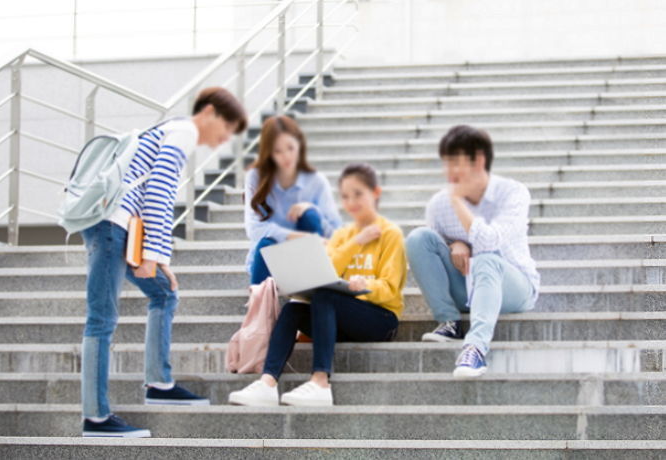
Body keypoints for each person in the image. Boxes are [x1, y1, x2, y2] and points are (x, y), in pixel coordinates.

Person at [80, 87, 247, 437]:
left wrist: (157, 260)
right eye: (226, 131)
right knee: (101, 319)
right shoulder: (183, 132)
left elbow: (142, 193)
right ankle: (95, 418)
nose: (221, 141)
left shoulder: (167, 131)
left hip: (120, 230)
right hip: (111, 228)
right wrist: (154, 257)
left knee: (164, 294)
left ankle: (159, 383)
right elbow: (158, 192)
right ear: (212, 113)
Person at [229, 163, 406, 406]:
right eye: (345, 196)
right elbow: (328, 271)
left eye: (358, 194)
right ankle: (267, 383)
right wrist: (355, 243)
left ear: (375, 193)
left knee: (325, 297)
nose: (351, 201)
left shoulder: (390, 234)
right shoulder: (344, 235)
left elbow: (390, 290)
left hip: (382, 320)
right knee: (293, 308)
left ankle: (321, 382)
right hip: (342, 317)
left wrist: (365, 285)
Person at [405, 125, 540, 379]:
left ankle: (475, 349)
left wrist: (458, 203)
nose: (449, 172)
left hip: (515, 286)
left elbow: (490, 243)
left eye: (455, 163)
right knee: (418, 238)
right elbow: (434, 249)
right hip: (466, 285)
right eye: (447, 163)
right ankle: (449, 321)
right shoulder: (437, 204)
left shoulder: (513, 193)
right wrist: (456, 244)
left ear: (478, 161)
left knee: (487, 259)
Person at [244, 115, 341, 285]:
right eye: (277, 151)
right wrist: (297, 237)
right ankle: (260, 304)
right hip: (267, 263)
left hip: (306, 263)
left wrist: (312, 208)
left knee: (310, 215)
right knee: (267, 242)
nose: (286, 156)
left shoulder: (315, 181)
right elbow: (254, 229)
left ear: (299, 144)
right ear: (268, 153)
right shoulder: (255, 177)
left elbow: (336, 233)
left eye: (290, 148)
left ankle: (312, 284)